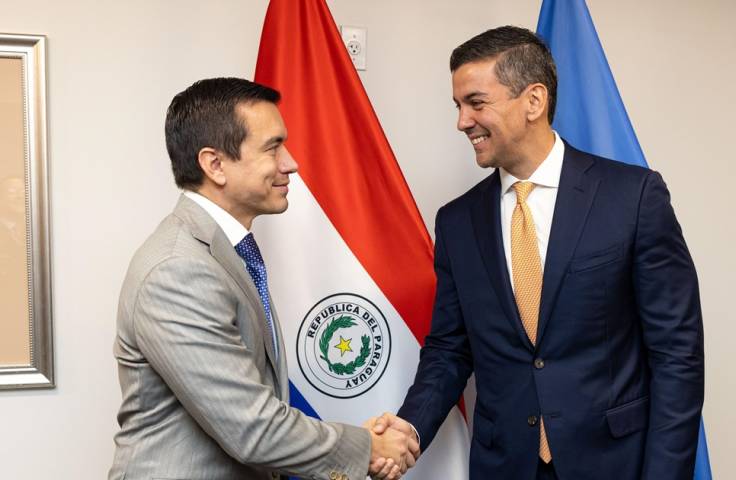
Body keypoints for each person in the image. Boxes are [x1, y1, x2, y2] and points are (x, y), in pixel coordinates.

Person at [373, 26, 704, 479]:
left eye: (476, 102)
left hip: (615, 464)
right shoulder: (457, 221)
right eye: (458, 106)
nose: (462, 121)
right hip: (505, 464)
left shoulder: (633, 197)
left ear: (533, 101)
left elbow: (677, 353)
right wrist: (409, 428)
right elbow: (450, 349)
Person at [109, 77, 416, 480]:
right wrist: (368, 448)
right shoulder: (178, 269)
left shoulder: (225, 251)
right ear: (214, 164)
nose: (291, 162)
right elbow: (251, 428)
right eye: (273, 147)